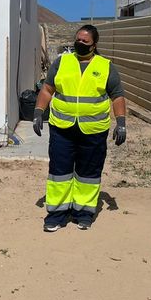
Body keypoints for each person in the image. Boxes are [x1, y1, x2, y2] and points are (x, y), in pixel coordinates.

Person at [33, 24, 126, 232]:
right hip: (62, 129)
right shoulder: (62, 62)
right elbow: (48, 89)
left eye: (85, 41)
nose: (80, 44)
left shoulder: (105, 66)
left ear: (94, 44)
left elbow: (117, 95)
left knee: (88, 173)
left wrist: (121, 123)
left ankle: (83, 213)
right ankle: (56, 214)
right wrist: (39, 112)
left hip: (93, 131)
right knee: (59, 172)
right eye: (78, 40)